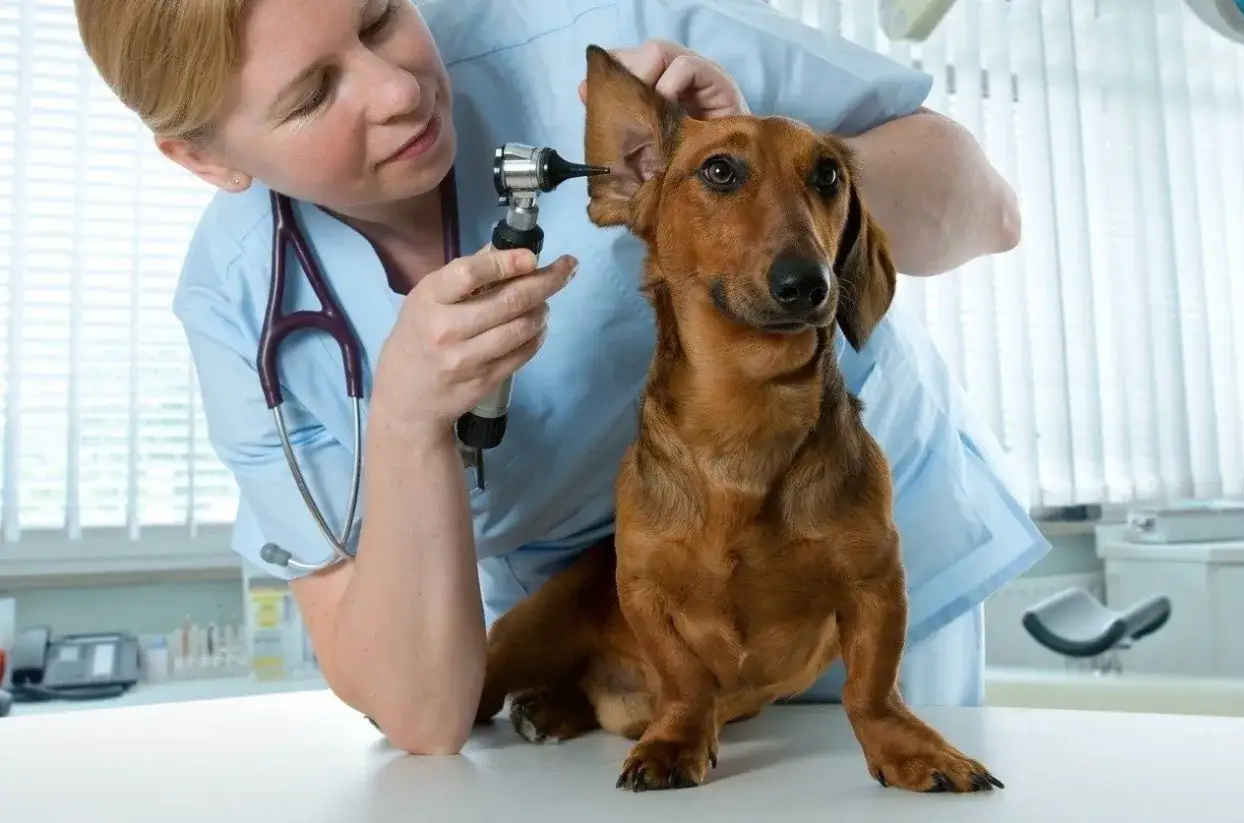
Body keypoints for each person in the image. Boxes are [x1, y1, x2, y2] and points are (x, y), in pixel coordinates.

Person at [74, 0, 1046, 755]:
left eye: (378, 18)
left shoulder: (606, 40)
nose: (398, 90)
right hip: (605, 637)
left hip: (843, 558)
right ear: (203, 157)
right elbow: (420, 713)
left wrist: (755, 186)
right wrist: (407, 420)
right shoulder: (243, 311)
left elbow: (986, 209)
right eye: (313, 93)